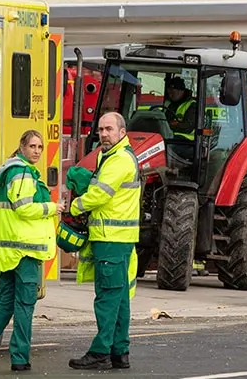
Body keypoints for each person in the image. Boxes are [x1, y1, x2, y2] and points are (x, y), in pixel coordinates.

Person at [0, 129, 64, 372]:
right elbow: (24, 208)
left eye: (40, 147)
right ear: (22, 147)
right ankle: (20, 358)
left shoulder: (13, 171)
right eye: (32, 146)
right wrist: (53, 207)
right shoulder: (22, 173)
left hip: (10, 252)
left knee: (4, 304)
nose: (37, 151)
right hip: (25, 253)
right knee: (24, 306)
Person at [68, 111, 142, 371]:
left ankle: (100, 352)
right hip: (117, 239)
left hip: (112, 239)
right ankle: (120, 352)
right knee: (119, 298)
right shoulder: (108, 156)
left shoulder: (119, 159)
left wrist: (74, 206)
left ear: (122, 132)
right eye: (100, 129)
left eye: (109, 129)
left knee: (107, 299)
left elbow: (99, 194)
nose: (103, 134)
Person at [164, 76, 198, 140]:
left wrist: (168, 125)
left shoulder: (192, 105)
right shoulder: (170, 103)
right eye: (168, 93)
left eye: (172, 93)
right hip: (170, 137)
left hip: (187, 142)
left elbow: (187, 127)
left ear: (181, 91)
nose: (170, 95)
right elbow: (164, 120)